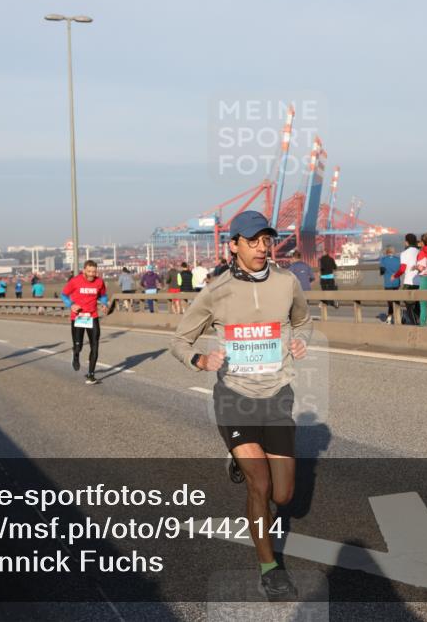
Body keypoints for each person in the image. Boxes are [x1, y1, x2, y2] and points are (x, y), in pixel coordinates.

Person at [170, 210, 311, 601]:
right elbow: (180, 341)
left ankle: (239, 460)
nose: (262, 248)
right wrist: (199, 360)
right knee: (260, 485)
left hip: (277, 396)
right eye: (252, 241)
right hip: (234, 399)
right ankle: (270, 568)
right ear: (233, 245)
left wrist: (302, 341)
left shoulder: (286, 283)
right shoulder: (215, 291)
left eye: (266, 240)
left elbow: (303, 321)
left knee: (284, 497)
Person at [61, 260, 109, 384]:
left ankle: (91, 375)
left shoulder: (99, 282)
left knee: (95, 345)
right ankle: (75, 354)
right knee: (79, 346)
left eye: (94, 271)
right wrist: (71, 305)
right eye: (89, 271)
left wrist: (104, 303)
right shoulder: (75, 281)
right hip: (78, 317)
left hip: (92, 316)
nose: (92, 274)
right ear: (84, 270)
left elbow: (103, 295)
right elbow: (64, 295)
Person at [392, 234, 422, 325]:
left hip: (409, 282)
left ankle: (414, 325)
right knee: (418, 304)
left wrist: (395, 276)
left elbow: (402, 269)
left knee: (409, 305)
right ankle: (419, 321)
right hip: (420, 282)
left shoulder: (404, 253)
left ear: (407, 242)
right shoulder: (419, 252)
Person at [379, 246, 401, 324]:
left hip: (388, 283)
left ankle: (389, 318)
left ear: (386, 252)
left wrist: (381, 273)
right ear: (393, 252)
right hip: (396, 282)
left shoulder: (383, 260)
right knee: (396, 300)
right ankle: (398, 317)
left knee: (390, 302)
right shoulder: (398, 259)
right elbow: (400, 270)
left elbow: (382, 270)